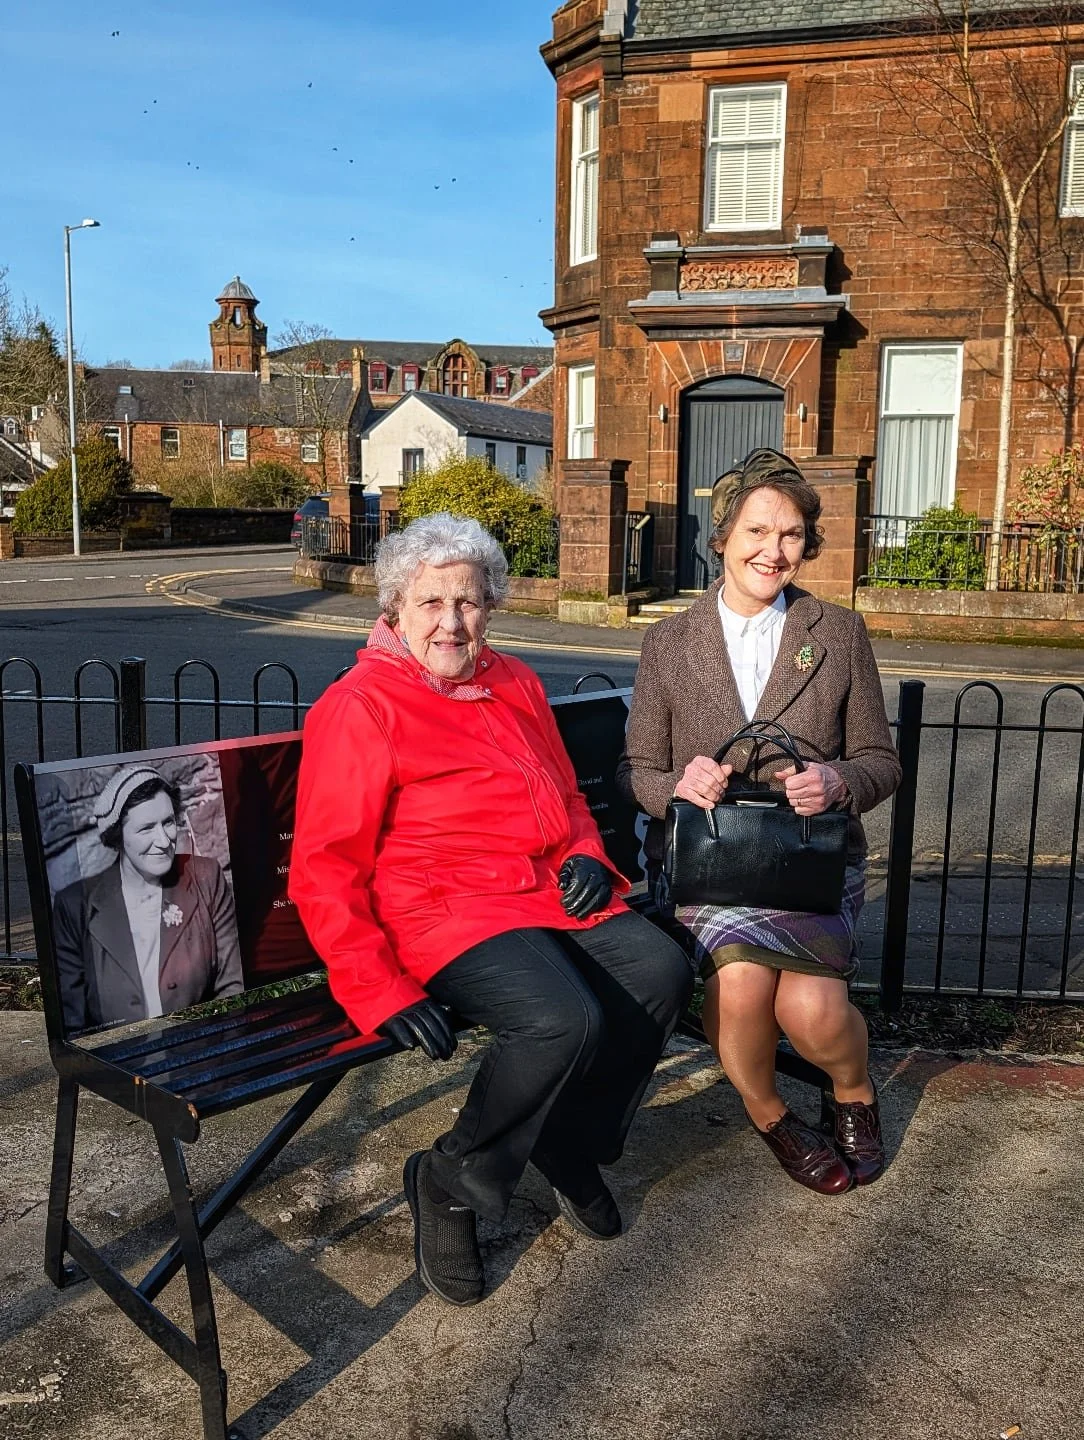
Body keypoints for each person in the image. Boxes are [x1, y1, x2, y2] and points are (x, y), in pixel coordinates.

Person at [289, 512, 693, 1306]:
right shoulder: (361, 706)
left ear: (491, 605)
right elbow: (323, 870)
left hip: (541, 889)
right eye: (431, 603)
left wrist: (586, 851)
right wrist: (377, 988)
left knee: (662, 970)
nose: (451, 622)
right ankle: (452, 1181)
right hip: (442, 907)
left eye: (468, 602)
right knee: (560, 1020)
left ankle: (569, 1143)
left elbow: (566, 794)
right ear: (396, 608)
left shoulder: (512, 680)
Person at [617, 448, 901, 1195]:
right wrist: (678, 783)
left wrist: (839, 779)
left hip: (810, 860)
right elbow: (637, 771)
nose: (772, 551)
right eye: (756, 531)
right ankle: (773, 1115)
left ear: (809, 545)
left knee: (810, 1014)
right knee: (741, 991)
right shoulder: (669, 643)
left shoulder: (836, 631)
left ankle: (853, 1091)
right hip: (714, 865)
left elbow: (881, 759)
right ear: (723, 537)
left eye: (792, 535)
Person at [53, 766, 244, 1032]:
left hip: (199, 1051)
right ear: (118, 836)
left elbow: (233, 985)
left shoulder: (205, 877)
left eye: (168, 822)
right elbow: (72, 1020)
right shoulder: (75, 905)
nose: (163, 840)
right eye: (146, 829)